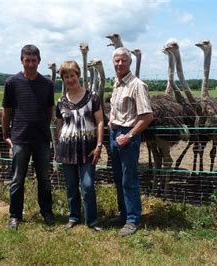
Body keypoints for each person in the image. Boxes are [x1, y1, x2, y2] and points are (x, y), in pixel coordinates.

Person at [2, 44, 55, 230]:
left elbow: (49, 110)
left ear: (39, 61)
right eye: (27, 60)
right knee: (17, 179)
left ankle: (47, 212)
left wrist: (42, 127)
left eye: (34, 60)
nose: (31, 64)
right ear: (22, 60)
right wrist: (6, 134)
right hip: (20, 138)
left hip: (41, 139)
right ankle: (15, 215)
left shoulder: (47, 84)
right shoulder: (12, 83)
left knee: (44, 178)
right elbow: (6, 111)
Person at [108, 47, 154, 236]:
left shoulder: (137, 85)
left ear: (130, 62)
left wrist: (129, 135)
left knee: (129, 179)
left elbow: (147, 116)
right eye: (117, 61)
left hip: (128, 136)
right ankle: (124, 214)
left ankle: (133, 220)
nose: (119, 64)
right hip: (115, 134)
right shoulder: (117, 84)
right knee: (119, 178)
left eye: (123, 61)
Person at [55, 60, 103, 232]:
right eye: (66, 77)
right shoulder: (61, 102)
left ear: (78, 75)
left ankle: (92, 220)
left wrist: (99, 145)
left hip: (88, 149)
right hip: (67, 149)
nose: (70, 79)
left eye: (72, 75)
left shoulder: (92, 98)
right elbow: (59, 125)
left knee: (88, 185)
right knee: (71, 186)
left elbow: (100, 122)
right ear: (63, 79)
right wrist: (57, 145)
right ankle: (74, 217)